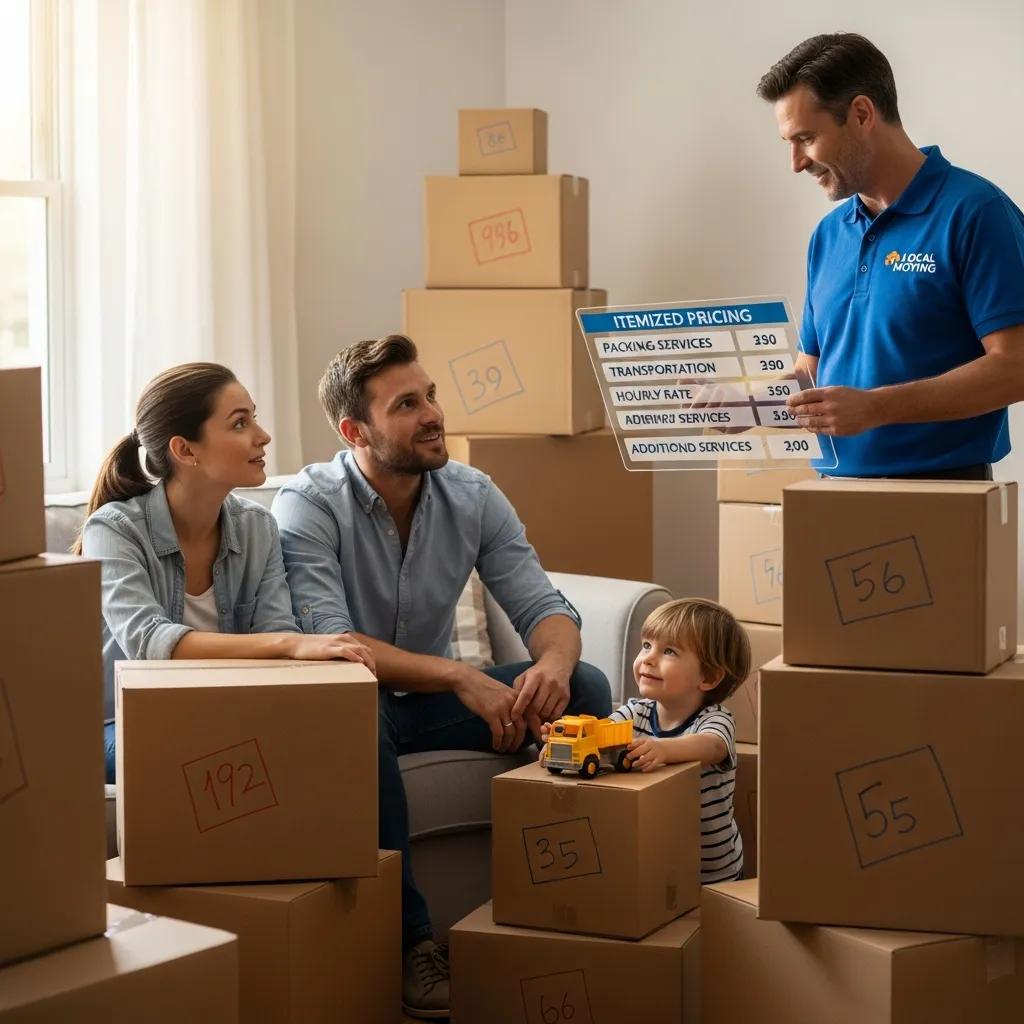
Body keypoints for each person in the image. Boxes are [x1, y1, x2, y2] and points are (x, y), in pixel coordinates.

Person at [271, 334, 612, 1020]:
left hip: (423, 708)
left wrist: (552, 662)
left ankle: (577, 906)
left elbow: (542, 604)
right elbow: (336, 645)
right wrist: (461, 677)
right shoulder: (306, 504)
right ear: (355, 430)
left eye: (430, 395)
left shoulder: (471, 492)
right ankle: (411, 944)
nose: (432, 413)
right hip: (353, 705)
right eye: (406, 404)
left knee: (589, 690)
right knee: (356, 719)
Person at [77, 362, 373, 785]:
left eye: (254, 417)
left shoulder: (257, 527)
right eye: (239, 423)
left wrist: (295, 650)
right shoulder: (113, 529)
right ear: (185, 450)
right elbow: (148, 642)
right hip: (118, 724)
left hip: (225, 714)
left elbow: (273, 628)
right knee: (198, 752)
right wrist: (291, 644)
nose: (262, 435)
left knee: (333, 741)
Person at [757, 32, 1024, 479]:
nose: (796, 162)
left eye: (806, 138)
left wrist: (876, 408)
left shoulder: (975, 212)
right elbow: (811, 371)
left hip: (942, 497)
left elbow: (1016, 366)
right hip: (831, 492)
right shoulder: (828, 236)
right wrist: (746, 406)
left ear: (861, 114)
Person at [575, 598, 749, 884]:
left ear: (708, 677)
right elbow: (601, 733)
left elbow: (712, 746)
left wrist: (665, 748)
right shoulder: (636, 711)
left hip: (712, 874)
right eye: (646, 645)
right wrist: (566, 742)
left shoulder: (714, 719)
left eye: (668, 651)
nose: (648, 658)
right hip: (659, 865)